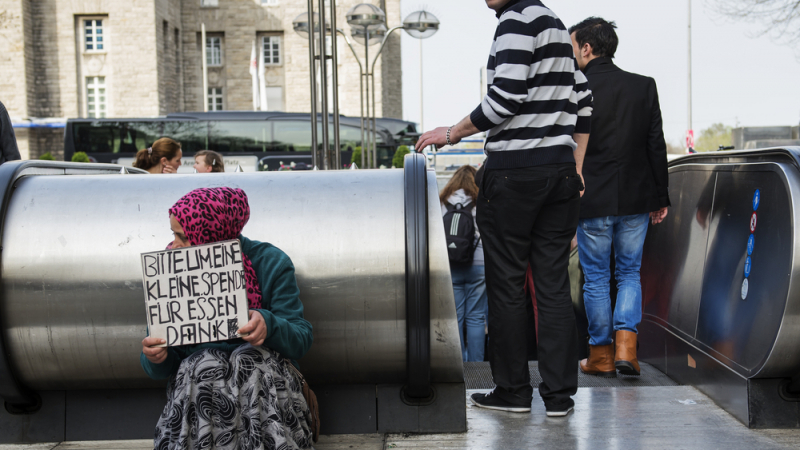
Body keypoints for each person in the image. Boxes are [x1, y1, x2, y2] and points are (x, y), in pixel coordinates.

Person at [416, 0, 592, 416]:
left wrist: (451, 133)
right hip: (560, 175)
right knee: (552, 289)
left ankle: (513, 391)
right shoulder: (555, 24)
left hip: (514, 175)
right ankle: (559, 396)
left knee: (508, 286)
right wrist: (576, 168)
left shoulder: (515, 21)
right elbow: (584, 103)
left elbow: (506, 97)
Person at [140, 187, 314, 449]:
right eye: (173, 235)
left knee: (248, 359)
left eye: (183, 237)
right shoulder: (170, 271)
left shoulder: (270, 261)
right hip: (202, 387)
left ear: (209, 235)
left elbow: (301, 339)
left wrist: (269, 325)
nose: (174, 245)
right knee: (204, 363)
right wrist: (156, 357)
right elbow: (162, 366)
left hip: (264, 383)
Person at [568, 18, 670, 377]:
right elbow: (655, 145)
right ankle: (628, 348)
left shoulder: (574, 89)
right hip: (635, 199)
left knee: (595, 279)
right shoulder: (643, 86)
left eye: (573, 47)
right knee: (629, 272)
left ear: (587, 48)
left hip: (591, 199)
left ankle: (600, 356)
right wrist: (661, 196)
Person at [440, 165, 487, 362]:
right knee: (476, 317)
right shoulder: (481, 199)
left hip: (451, 263)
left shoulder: (442, 201)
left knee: (456, 316)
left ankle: (459, 364)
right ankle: (477, 365)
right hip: (479, 264)